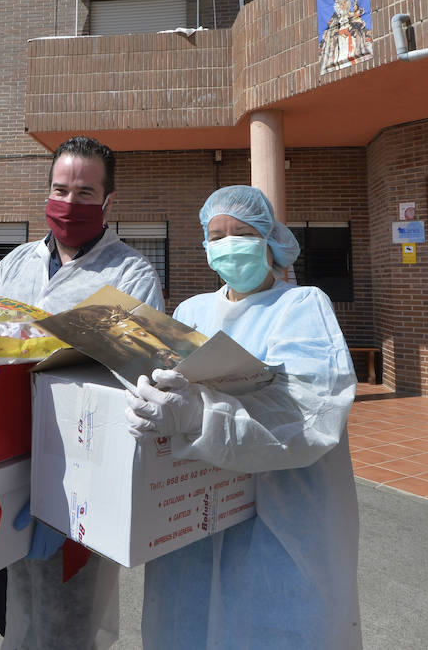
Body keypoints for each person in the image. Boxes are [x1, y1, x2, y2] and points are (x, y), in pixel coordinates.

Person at [127, 185, 360, 649]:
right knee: (187, 626)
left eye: (243, 232)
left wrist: (203, 414)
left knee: (274, 625)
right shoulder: (192, 311)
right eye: (218, 234)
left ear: (271, 240)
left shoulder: (302, 305)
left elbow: (308, 415)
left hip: (283, 514)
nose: (229, 243)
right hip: (190, 511)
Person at [0, 135, 164, 650]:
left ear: (108, 202)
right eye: (60, 189)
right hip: (6, 461)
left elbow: (140, 371)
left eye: (85, 192)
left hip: (78, 466)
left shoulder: (131, 273)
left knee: (67, 621)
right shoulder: (15, 263)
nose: (69, 203)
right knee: (8, 606)